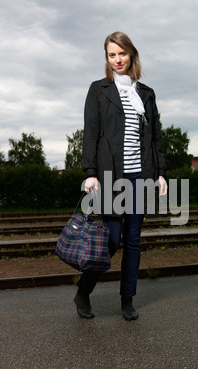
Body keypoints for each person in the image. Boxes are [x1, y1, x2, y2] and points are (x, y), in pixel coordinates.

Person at [74, 31, 167, 321]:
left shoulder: (146, 93)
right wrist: (90, 173)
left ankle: (127, 300)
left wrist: (161, 174)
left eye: (122, 54)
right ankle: (83, 290)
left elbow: (156, 139)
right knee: (111, 241)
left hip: (140, 175)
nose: (117, 60)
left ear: (131, 55)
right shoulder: (99, 90)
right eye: (111, 55)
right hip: (111, 177)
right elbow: (91, 134)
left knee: (134, 240)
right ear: (107, 58)